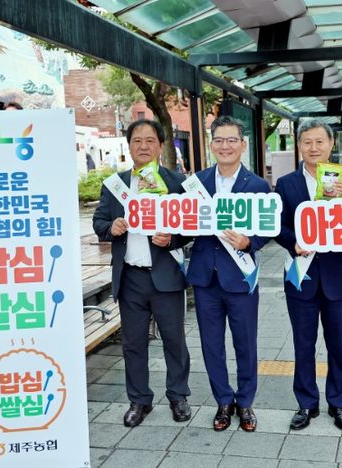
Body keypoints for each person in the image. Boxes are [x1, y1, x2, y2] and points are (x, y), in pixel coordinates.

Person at [92, 119, 191, 428]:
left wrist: (172, 238)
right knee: (133, 343)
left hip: (166, 275)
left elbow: (191, 227)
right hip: (130, 277)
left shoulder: (177, 183)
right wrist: (112, 227)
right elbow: (98, 222)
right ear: (129, 146)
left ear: (160, 145)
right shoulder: (115, 185)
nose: (143, 146)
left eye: (150, 140)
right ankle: (139, 400)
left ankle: (178, 396)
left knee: (174, 340)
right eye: (137, 141)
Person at [275, 119, 342, 431]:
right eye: (307, 142)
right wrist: (293, 242)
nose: (313, 148)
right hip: (302, 276)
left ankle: (338, 403)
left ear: (331, 144)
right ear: (299, 146)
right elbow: (277, 225)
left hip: (338, 276)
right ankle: (306, 403)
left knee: (338, 343)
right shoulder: (286, 184)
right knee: (303, 344)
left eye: (319, 142)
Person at [186, 116, 271, 433]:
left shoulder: (258, 185)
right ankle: (223, 401)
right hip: (205, 278)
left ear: (243, 144)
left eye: (232, 140)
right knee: (211, 345)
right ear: (211, 145)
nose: (225, 146)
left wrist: (250, 242)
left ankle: (245, 402)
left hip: (241, 278)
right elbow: (185, 225)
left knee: (245, 343)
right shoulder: (196, 184)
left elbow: (269, 228)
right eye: (219, 140)